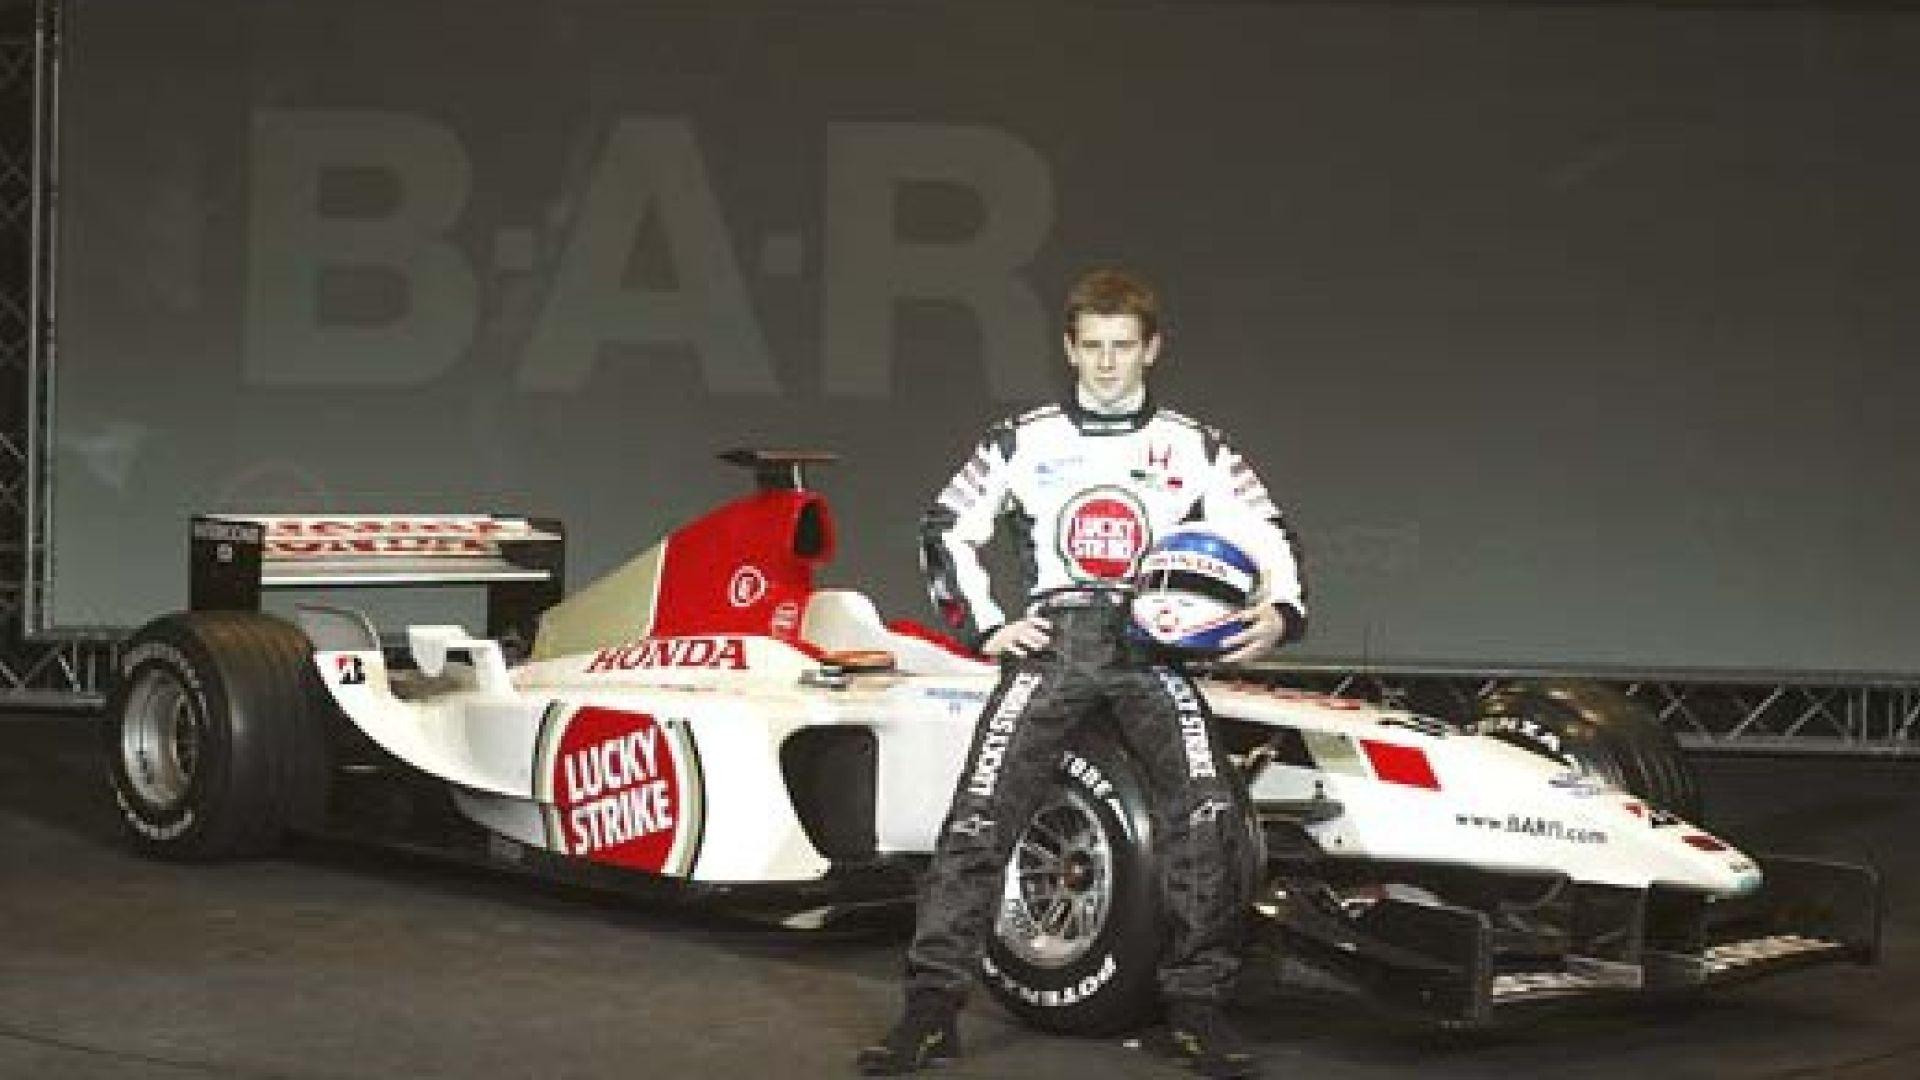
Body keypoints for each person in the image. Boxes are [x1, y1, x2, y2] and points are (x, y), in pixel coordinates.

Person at [856, 268, 1307, 1078]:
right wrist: (986, 624)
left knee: (1207, 815)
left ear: (1151, 349)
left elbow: (1267, 529)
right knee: (979, 817)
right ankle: (929, 1014)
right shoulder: (1023, 439)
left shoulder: (1194, 445)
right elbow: (946, 525)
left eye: (1122, 347)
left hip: (1152, 645)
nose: (1106, 363)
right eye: (1092, 346)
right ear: (1069, 348)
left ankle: (1196, 1009)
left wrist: (1281, 612)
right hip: (1054, 643)